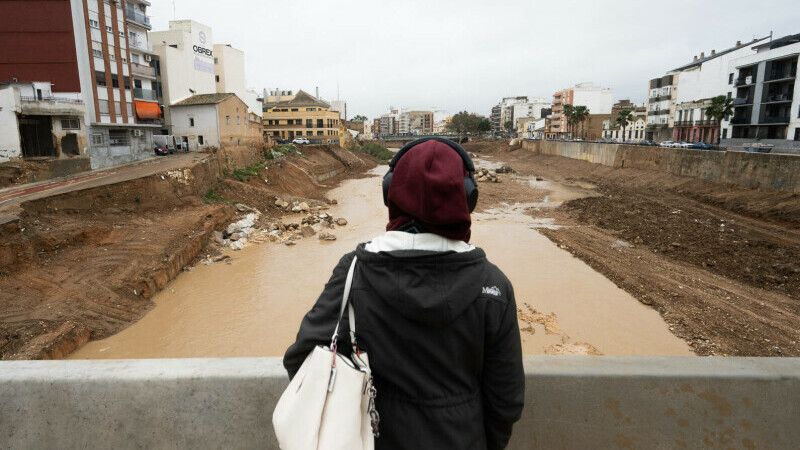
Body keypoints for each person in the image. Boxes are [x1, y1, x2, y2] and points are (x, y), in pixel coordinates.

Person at [284, 138, 525, 449]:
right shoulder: (493, 285)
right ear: (466, 198)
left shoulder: (355, 271)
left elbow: (301, 359)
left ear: (391, 194)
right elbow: (506, 399)